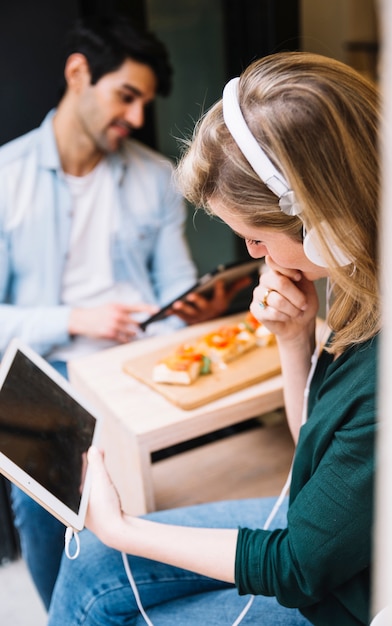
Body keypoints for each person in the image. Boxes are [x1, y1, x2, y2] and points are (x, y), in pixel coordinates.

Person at [47, 50, 380, 626]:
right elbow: (318, 449)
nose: (253, 256)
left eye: (255, 238)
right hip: (332, 535)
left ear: (325, 225)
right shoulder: (362, 278)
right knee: (91, 565)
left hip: (342, 593)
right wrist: (293, 339)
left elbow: (298, 568)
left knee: (103, 597)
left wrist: (124, 529)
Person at [0, 15, 248, 609]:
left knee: (195, 469)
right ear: (78, 74)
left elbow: (177, 289)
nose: (137, 118)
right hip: (44, 371)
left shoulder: (155, 177)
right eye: (126, 96)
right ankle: (67, 612)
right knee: (42, 491)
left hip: (137, 362)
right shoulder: (6, 177)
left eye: (143, 103)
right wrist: (74, 319)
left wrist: (191, 310)